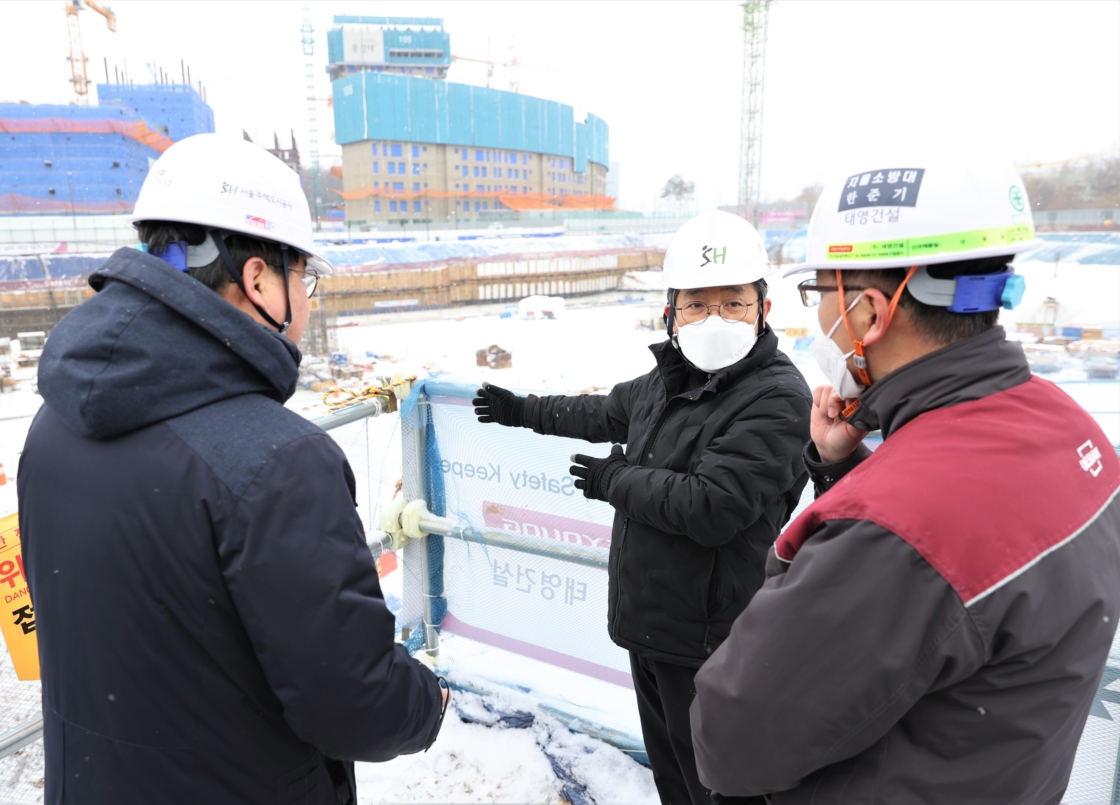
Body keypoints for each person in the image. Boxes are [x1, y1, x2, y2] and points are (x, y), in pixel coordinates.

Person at [18, 134, 448, 805]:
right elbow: (353, 700)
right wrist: (426, 699)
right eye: (302, 277)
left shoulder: (55, 423)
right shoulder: (280, 461)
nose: (306, 301)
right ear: (257, 278)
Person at [690, 159, 1120, 804]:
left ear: (868, 313)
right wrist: (845, 469)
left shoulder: (895, 526)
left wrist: (852, 514)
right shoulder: (1066, 425)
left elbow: (733, 744)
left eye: (820, 296)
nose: (819, 320)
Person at [473, 211, 812, 805]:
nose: (715, 319)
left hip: (714, 638)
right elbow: (602, 411)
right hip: (653, 625)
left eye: (733, 304)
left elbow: (714, 506)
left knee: (719, 784)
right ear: (670, 312)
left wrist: (614, 480)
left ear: (763, 310)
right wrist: (520, 409)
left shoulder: (778, 397)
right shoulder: (666, 379)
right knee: (673, 778)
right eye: (697, 304)